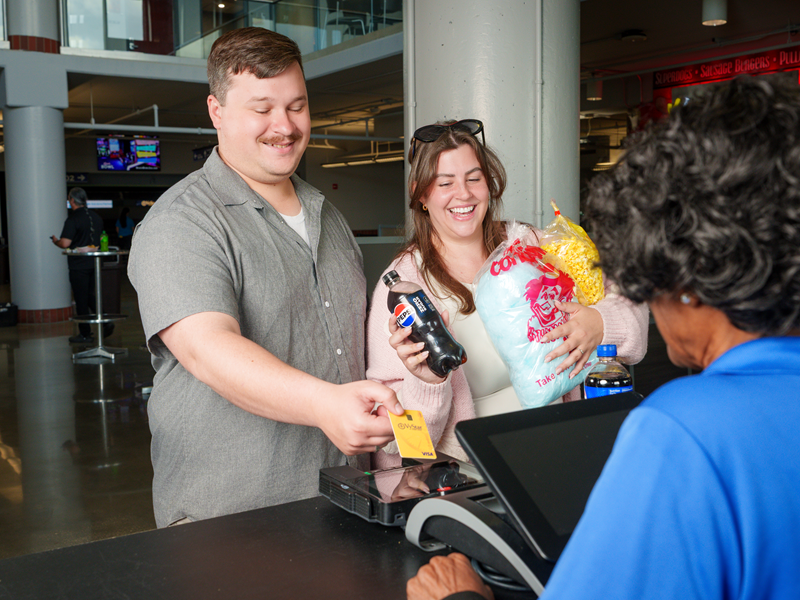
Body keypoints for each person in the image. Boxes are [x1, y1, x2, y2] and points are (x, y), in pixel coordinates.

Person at [406, 76, 800, 600]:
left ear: (687, 272)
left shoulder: (678, 433)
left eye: (646, 271)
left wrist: (462, 598)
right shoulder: (404, 283)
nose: (642, 291)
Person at [128, 27, 402, 528]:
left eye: (297, 106)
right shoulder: (183, 221)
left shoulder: (329, 215)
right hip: (232, 517)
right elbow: (208, 349)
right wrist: (324, 404)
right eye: (262, 108)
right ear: (217, 111)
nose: (285, 125)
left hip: (342, 500)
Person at [366, 119, 648, 469]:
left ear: (489, 183)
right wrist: (427, 382)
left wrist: (599, 323)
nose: (464, 194)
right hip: (471, 485)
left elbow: (632, 300)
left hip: (563, 457)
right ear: (421, 194)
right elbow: (400, 443)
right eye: (445, 183)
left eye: (474, 178)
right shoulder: (403, 289)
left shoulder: (529, 245)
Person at [51, 187, 104, 344]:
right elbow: (102, 240)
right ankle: (106, 323)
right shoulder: (96, 217)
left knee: (81, 300)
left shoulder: (73, 219)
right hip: (94, 262)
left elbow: (65, 243)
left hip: (78, 265)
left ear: (72, 200)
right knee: (90, 296)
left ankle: (85, 333)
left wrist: (56, 241)